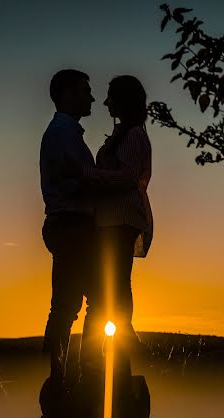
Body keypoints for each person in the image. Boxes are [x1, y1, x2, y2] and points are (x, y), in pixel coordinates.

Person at [78, 75, 153, 379]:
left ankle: (109, 351)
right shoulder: (123, 134)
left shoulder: (134, 135)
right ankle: (109, 349)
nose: (106, 102)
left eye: (111, 96)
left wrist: (89, 176)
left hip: (121, 221)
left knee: (114, 285)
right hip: (111, 220)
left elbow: (126, 177)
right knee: (109, 285)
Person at [38, 69, 96, 384]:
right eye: (85, 90)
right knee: (78, 302)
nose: (92, 97)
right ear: (67, 94)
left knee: (69, 302)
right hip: (72, 226)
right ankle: (69, 373)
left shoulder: (64, 132)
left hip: (69, 225)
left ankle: (65, 373)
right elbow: (83, 179)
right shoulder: (63, 133)